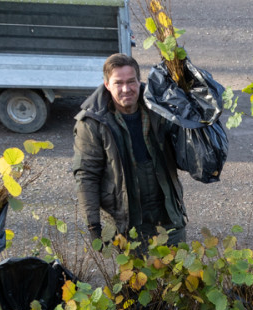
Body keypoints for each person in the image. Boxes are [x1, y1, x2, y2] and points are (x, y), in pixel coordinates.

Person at [73, 53, 186, 249]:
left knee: (179, 274)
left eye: (131, 81)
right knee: (136, 279)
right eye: (118, 83)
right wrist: (93, 226)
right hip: (127, 221)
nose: (126, 89)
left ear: (139, 80)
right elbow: (86, 175)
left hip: (168, 214)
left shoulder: (158, 107)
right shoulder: (93, 122)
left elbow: (186, 146)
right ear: (107, 84)